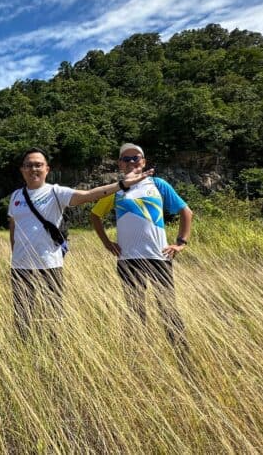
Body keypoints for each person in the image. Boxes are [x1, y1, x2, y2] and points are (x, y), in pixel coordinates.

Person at [8, 147, 152, 339]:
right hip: (20, 267)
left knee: (52, 318)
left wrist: (121, 185)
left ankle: (55, 354)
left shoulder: (55, 192)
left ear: (47, 169)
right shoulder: (16, 196)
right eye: (29, 165)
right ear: (22, 169)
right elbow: (13, 228)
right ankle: (23, 352)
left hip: (50, 265)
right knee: (22, 318)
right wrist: (15, 254)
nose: (33, 169)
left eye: (38, 165)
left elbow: (89, 195)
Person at [90, 143, 193, 362]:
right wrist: (107, 243)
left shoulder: (158, 184)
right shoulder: (118, 189)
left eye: (135, 158)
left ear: (144, 161)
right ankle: (137, 360)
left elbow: (186, 211)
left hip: (159, 257)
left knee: (168, 309)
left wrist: (181, 242)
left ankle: (183, 359)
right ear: (120, 164)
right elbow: (95, 215)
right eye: (126, 159)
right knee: (135, 311)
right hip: (128, 259)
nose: (131, 162)